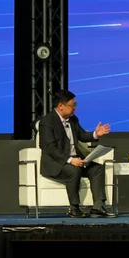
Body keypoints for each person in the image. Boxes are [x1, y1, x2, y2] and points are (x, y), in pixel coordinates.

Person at [39, 90, 115, 218]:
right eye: (72, 105)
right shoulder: (47, 121)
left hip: (75, 160)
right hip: (57, 163)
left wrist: (96, 134)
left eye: (75, 105)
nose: (75, 108)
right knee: (74, 170)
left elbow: (81, 135)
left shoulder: (73, 119)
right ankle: (74, 208)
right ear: (61, 106)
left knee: (96, 169)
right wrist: (70, 160)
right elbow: (50, 148)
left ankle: (98, 206)